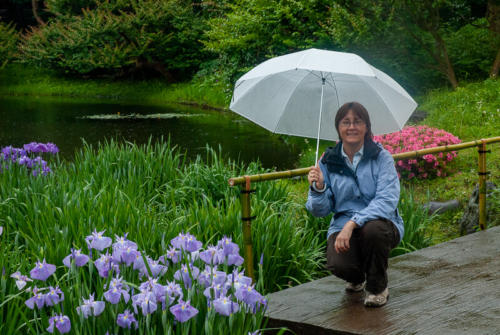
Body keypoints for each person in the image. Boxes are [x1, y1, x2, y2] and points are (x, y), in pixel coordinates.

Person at [306, 101, 404, 307]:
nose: (352, 127)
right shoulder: (327, 161)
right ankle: (359, 276)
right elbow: (319, 211)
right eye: (346, 122)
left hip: (381, 223)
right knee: (337, 263)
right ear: (338, 128)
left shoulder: (381, 157)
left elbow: (387, 200)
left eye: (357, 121)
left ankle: (378, 287)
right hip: (342, 227)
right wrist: (319, 188)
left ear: (366, 127)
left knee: (373, 230)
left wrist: (352, 223)